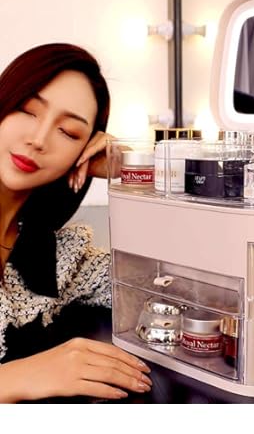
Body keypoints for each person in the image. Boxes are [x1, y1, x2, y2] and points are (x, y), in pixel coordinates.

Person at [0, 43, 152, 403]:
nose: (38, 140)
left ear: (81, 153)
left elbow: (164, 290)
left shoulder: (56, 256)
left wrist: (132, 167)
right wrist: (21, 376)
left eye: (68, 132)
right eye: (28, 110)